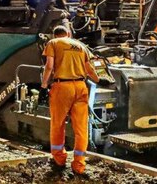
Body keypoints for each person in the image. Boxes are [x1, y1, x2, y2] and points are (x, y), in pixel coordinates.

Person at [40, 25, 109, 175]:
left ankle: (59, 160)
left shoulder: (53, 43)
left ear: (55, 35)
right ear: (69, 34)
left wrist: (44, 85)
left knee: (58, 124)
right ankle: (79, 165)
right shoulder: (81, 45)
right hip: (81, 86)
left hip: (62, 87)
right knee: (81, 128)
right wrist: (99, 80)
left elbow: (49, 66)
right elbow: (89, 68)